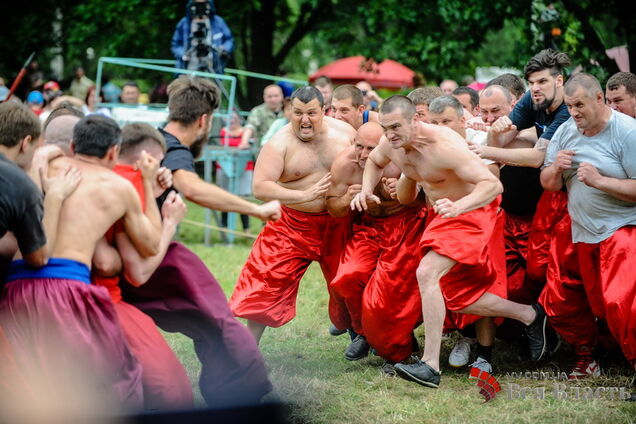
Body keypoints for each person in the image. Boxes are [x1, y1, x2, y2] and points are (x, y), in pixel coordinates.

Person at [351, 95, 548, 388]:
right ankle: (530, 314)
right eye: (385, 127)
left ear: (415, 121)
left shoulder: (444, 146)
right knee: (457, 296)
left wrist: (460, 206)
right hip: (446, 214)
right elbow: (375, 162)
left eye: (396, 127)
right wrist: (366, 189)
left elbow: (492, 184)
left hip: (474, 210)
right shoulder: (390, 143)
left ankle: (430, 366)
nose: (390, 134)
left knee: (426, 273)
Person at [121, 75, 277, 408]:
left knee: (206, 318)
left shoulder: (153, 142)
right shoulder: (172, 149)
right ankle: (241, 393)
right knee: (218, 320)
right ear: (204, 120)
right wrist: (255, 208)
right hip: (140, 260)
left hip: (131, 257)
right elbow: (191, 187)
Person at [1, 113, 164, 412]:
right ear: (113, 152)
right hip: (65, 289)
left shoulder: (46, 162)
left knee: (29, 386)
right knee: (115, 382)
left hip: (14, 287)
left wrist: (47, 154)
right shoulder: (118, 186)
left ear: (73, 146)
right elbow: (151, 244)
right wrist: (150, 184)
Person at [229, 86, 356, 344]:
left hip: (339, 220)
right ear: (290, 111)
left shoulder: (345, 134)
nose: (304, 120)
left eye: (311, 113)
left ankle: (365, 337)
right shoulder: (279, 143)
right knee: (267, 281)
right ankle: (246, 348)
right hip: (293, 224)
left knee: (352, 281)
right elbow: (261, 187)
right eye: (298, 113)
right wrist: (304, 195)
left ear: (324, 111)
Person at [90, 123, 194, 410]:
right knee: (171, 388)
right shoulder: (129, 183)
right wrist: (170, 223)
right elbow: (138, 272)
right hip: (100, 300)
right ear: (147, 159)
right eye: (159, 162)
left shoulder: (98, 173)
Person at [540, 73, 636, 377]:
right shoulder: (567, 131)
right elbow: (547, 183)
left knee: (620, 302)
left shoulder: (627, 132)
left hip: (621, 229)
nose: (575, 112)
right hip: (580, 229)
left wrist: (600, 181)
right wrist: (555, 168)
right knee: (561, 299)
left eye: (579, 104)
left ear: (599, 99)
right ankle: (588, 355)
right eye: (569, 106)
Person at [327, 122, 426, 374]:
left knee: (387, 294)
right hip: (369, 227)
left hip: (406, 225)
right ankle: (366, 334)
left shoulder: (401, 158)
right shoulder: (344, 164)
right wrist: (347, 198)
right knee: (345, 280)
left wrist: (406, 193)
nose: (362, 154)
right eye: (358, 146)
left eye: (369, 148)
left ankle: (398, 351)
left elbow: (430, 197)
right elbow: (333, 208)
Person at [427, 95, 506, 373]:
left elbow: (493, 181)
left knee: (484, 282)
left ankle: (485, 353)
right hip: (447, 219)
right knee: (445, 282)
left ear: (462, 120)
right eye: (434, 122)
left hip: (484, 221)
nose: (440, 127)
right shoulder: (429, 145)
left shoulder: (477, 141)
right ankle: (463, 338)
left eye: (446, 121)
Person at [171, 0, 234, 74]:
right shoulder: (184, 23)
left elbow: (229, 40)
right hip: (188, 69)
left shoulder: (218, 22)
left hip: (213, 68)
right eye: (197, 5)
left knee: (213, 84)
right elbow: (175, 44)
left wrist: (224, 49)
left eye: (203, 4)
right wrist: (183, 54)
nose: (200, 8)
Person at [217, 112, 252, 230]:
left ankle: (246, 228)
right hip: (224, 167)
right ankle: (224, 227)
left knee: (243, 198)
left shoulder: (246, 131)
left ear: (238, 119)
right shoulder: (223, 131)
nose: (231, 120)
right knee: (224, 198)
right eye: (228, 118)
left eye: (233, 118)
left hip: (244, 168)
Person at [239, 84, 284, 149]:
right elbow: (250, 127)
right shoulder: (258, 111)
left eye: (276, 96)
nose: (273, 99)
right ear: (264, 97)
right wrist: (244, 142)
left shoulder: (288, 111)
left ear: (282, 96)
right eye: (269, 96)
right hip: (263, 150)